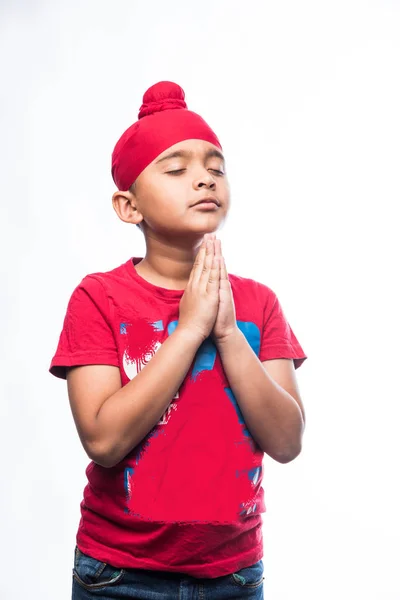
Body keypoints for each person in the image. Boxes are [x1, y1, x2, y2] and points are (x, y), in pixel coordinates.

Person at [49, 80, 307, 600]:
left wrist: (229, 334)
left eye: (216, 168)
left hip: (234, 576)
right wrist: (189, 330)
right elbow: (103, 441)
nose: (205, 180)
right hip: (120, 576)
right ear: (129, 206)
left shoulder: (258, 304)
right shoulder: (99, 298)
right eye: (177, 169)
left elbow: (287, 442)